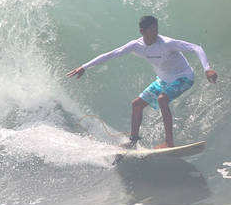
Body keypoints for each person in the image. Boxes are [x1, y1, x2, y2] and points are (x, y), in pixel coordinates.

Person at [66, 15, 217, 149]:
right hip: (164, 80)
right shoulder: (136, 45)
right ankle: (132, 142)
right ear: (142, 32)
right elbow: (112, 54)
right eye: (151, 30)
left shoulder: (167, 43)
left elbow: (196, 48)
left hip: (183, 77)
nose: (155, 33)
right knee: (136, 104)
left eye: (156, 30)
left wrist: (207, 68)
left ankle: (169, 143)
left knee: (162, 100)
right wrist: (84, 66)